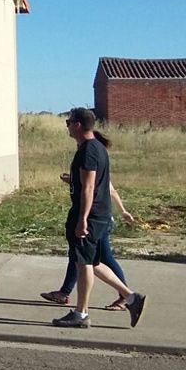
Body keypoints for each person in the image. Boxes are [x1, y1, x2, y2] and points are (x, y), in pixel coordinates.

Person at [52, 107, 147, 329]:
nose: (67, 125)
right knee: (93, 262)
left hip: (90, 215)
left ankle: (81, 314)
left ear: (77, 125)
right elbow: (90, 183)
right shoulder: (96, 147)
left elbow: (89, 187)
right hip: (98, 213)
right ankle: (132, 298)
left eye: (68, 122)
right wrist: (73, 181)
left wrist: (82, 219)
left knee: (83, 263)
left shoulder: (89, 150)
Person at [42, 137, 136, 311]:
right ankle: (69, 295)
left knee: (99, 259)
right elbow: (88, 185)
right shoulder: (92, 158)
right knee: (83, 258)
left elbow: (107, 189)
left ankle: (126, 297)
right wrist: (73, 180)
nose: (78, 147)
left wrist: (122, 211)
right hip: (95, 219)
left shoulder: (93, 158)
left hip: (96, 221)